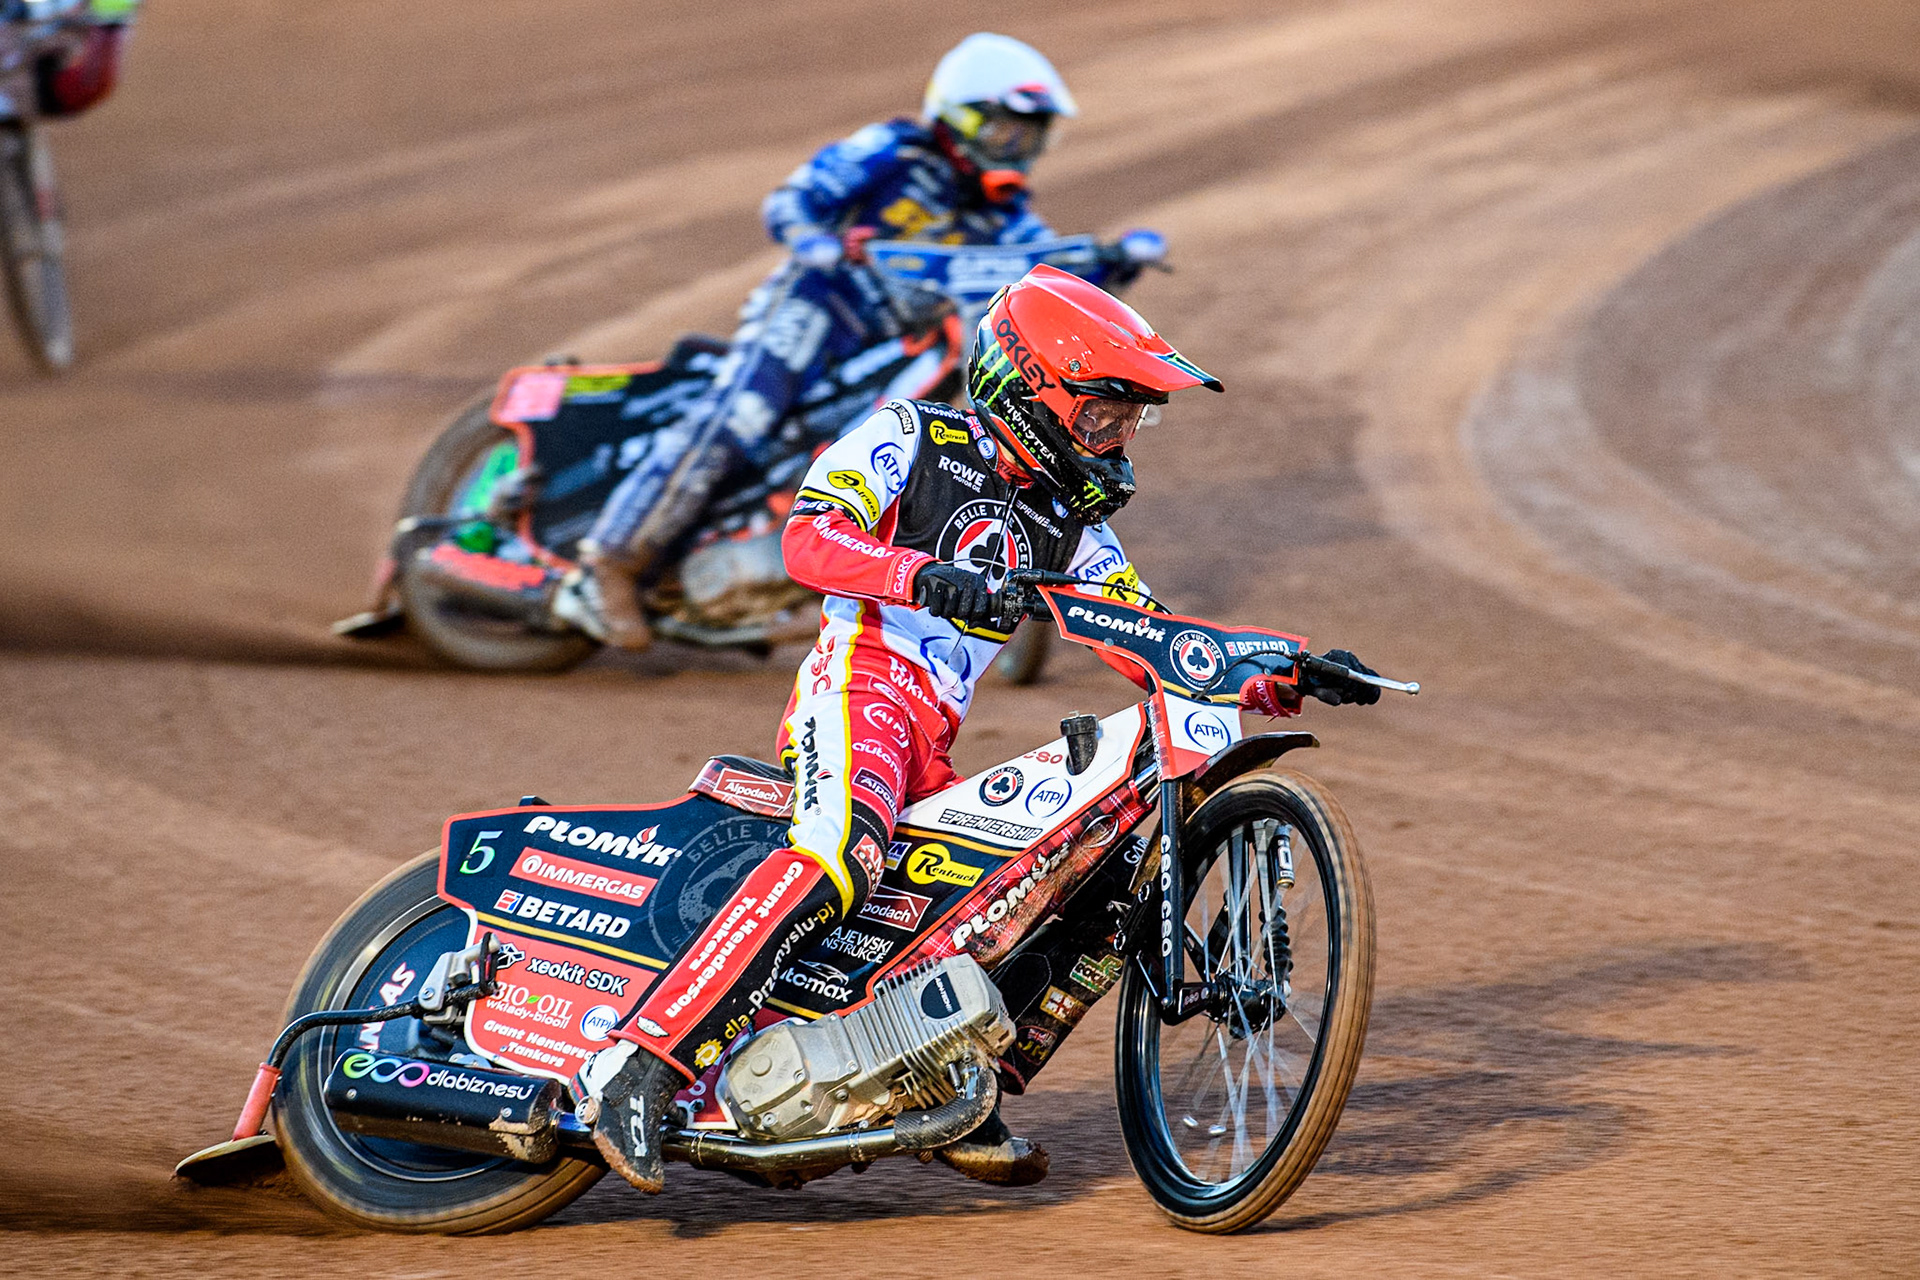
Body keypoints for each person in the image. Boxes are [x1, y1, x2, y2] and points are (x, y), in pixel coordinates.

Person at [577, 263, 1228, 1192]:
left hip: (930, 739)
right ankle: (639, 1064)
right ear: (1031, 390)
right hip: (858, 690)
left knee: (1039, 884)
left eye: (1130, 418)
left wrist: (1275, 668)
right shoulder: (909, 435)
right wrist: (914, 575)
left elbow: (1147, 636)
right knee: (842, 853)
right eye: (1102, 412)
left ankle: (953, 1090)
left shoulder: (1071, 523)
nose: (1119, 436)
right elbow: (808, 540)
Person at [553, 32, 1161, 651]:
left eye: (1033, 135)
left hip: (899, 344)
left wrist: (1112, 261)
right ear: (963, 115)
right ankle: (611, 560)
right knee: (742, 414)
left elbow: (1040, 277)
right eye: (1010, 129)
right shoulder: (892, 151)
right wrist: (810, 235)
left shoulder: (1003, 214)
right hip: (819, 304)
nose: (1022, 148)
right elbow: (793, 198)